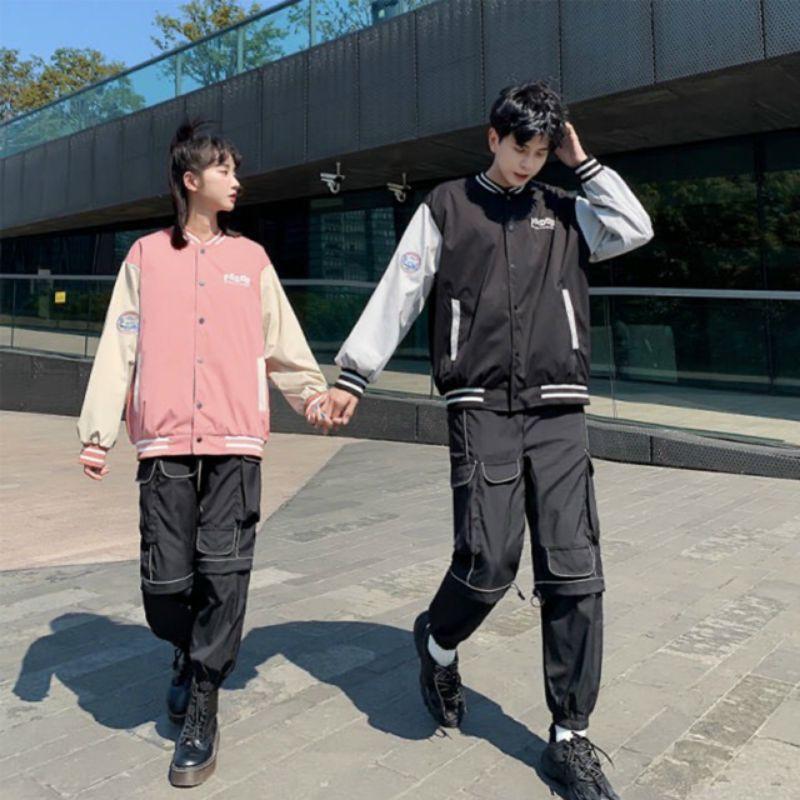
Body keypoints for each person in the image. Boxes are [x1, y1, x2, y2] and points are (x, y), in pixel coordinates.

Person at [321, 81, 653, 800]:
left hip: (559, 410)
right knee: (488, 562)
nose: (528, 164)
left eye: (541, 152)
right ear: (492, 137)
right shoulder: (447, 206)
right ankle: (438, 643)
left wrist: (582, 164)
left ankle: (569, 736)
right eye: (519, 148)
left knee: (575, 571)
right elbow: (402, 289)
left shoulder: (566, 209)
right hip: (480, 407)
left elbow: (636, 227)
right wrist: (354, 374)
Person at [77, 119, 331, 787]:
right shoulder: (144, 256)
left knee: (224, 573)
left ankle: (204, 701)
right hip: (163, 442)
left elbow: (282, 341)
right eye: (224, 169)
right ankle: (186, 649)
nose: (236, 180)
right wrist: (98, 432)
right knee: (165, 586)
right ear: (191, 180)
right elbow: (118, 346)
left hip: (234, 441)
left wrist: (312, 396)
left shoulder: (252, 260)